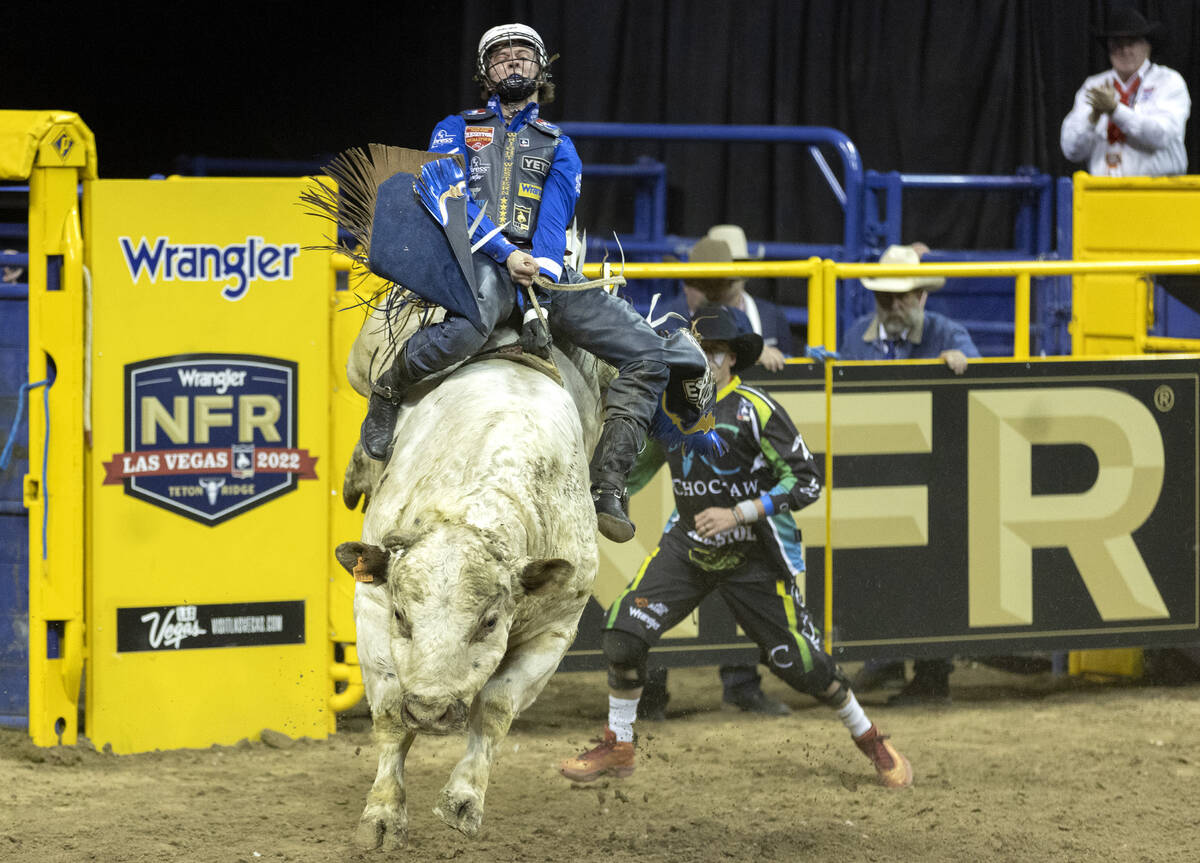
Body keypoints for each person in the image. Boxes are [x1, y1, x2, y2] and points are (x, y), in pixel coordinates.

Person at [360, 23, 709, 544]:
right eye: (501, 58)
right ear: (486, 73)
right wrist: (507, 254)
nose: (514, 64)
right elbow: (445, 198)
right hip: (472, 259)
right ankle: (389, 388)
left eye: (524, 56)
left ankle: (608, 483)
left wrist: (541, 266)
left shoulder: (558, 145)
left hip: (544, 273)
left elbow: (555, 216)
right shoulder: (453, 129)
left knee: (647, 355)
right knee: (467, 329)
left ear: (541, 70)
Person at [558, 306, 913, 788]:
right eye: (693, 350)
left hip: (755, 554)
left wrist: (739, 512)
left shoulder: (755, 409)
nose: (699, 359)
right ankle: (619, 744)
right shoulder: (672, 409)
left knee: (803, 666)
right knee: (623, 634)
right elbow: (631, 473)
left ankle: (870, 738)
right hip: (689, 546)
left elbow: (807, 481)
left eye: (709, 352)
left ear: (728, 361)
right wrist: (591, 498)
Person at [841, 242, 980, 704]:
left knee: (931, 571)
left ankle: (932, 674)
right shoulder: (857, 334)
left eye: (904, 296)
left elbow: (978, 371)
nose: (895, 305)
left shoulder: (947, 333)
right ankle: (885, 659)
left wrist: (962, 365)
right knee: (876, 570)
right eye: (886, 298)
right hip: (876, 476)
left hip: (933, 481)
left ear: (922, 295)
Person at [1060, 7, 1190, 177]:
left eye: (1132, 42)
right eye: (1117, 43)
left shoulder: (1168, 81)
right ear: (1108, 48)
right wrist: (1092, 119)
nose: (1124, 50)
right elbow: (1071, 151)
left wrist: (1115, 111)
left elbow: (1161, 136)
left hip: (1157, 191)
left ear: (1147, 46)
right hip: (1103, 192)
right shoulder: (1093, 86)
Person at [661, 226, 796, 370]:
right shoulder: (667, 317)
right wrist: (755, 351)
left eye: (737, 264)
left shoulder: (771, 315)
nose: (731, 275)